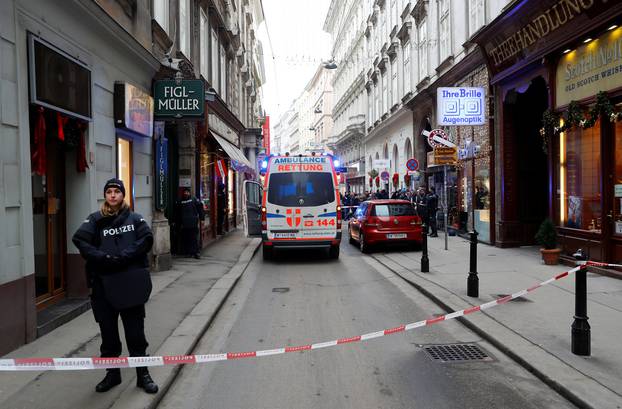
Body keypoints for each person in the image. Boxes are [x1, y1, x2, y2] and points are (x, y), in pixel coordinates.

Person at [72, 178, 158, 394]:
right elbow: (80, 241)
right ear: (105, 195)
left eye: (116, 192)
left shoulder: (135, 218)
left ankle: (142, 374)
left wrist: (123, 257)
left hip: (131, 285)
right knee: (108, 336)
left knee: (135, 334)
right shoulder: (95, 219)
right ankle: (112, 374)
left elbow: (146, 239)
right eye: (109, 191)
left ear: (123, 195)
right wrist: (104, 258)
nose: (112, 195)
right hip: (103, 287)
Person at [175, 188, 205, 259]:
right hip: (184, 224)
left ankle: (196, 252)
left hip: (193, 222)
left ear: (189, 193)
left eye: (187, 192)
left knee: (194, 238)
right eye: (185, 192)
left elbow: (200, 208)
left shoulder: (194, 199)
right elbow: (177, 213)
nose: (186, 193)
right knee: (187, 239)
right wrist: (177, 222)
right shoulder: (180, 201)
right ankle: (188, 252)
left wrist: (202, 218)